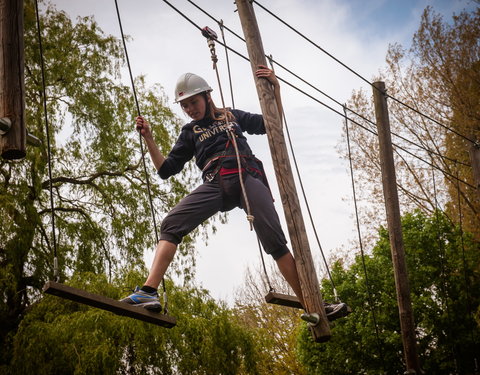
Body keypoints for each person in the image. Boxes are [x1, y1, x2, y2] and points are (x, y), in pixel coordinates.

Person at [121, 66, 348, 320]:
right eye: (184, 106)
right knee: (171, 224)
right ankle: (148, 291)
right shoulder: (189, 132)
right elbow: (166, 169)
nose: (190, 109)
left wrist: (276, 88)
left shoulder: (231, 116)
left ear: (207, 96)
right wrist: (149, 139)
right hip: (216, 182)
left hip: (247, 178)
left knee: (275, 242)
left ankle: (314, 306)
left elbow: (271, 124)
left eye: (193, 102)